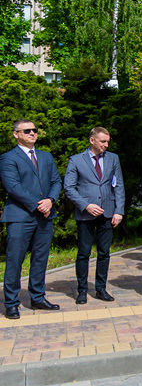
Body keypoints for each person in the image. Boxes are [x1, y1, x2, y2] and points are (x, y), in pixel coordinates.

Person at [1, 120, 62, 319]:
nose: (32, 133)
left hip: (45, 217)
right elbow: (13, 187)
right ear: (16, 134)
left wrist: (51, 200)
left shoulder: (46, 156)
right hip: (20, 216)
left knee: (40, 259)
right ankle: (11, 302)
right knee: (14, 260)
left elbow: (56, 181)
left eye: (35, 130)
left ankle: (37, 297)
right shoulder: (8, 158)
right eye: (27, 130)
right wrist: (39, 204)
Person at [64, 126, 125, 304]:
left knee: (104, 253)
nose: (106, 145)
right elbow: (69, 187)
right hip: (85, 214)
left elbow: (118, 185)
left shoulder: (113, 158)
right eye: (103, 141)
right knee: (83, 253)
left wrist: (119, 210)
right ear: (92, 141)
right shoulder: (76, 160)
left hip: (107, 212)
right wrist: (85, 205)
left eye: (108, 142)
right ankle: (82, 290)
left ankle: (101, 289)